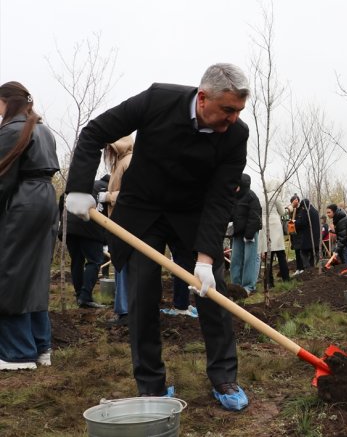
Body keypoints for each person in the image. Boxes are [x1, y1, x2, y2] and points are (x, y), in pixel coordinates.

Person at [64, 64, 250, 410]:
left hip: (192, 214)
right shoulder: (157, 100)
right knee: (143, 290)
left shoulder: (236, 135)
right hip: (143, 211)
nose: (234, 118)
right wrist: (77, 189)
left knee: (212, 292)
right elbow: (94, 132)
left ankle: (224, 376)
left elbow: (221, 196)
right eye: (228, 109)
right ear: (203, 97)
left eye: (239, 110)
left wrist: (206, 258)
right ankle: (150, 384)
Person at [0, 81, 59, 370]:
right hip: (45, 200)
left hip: (22, 202)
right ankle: (41, 347)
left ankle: (17, 352)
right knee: (34, 274)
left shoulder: (11, 131)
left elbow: (2, 180)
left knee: (9, 273)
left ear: (7, 102)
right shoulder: (43, 129)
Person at [99, 135, 134, 325]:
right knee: (120, 265)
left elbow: (133, 193)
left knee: (122, 265)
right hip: (118, 222)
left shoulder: (128, 162)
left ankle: (125, 311)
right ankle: (123, 309)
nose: (108, 153)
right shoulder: (120, 164)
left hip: (125, 223)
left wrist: (109, 197)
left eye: (110, 148)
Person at [61, 177, 109, 309]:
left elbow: (63, 198)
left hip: (69, 226)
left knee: (77, 261)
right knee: (94, 261)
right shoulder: (108, 189)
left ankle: (79, 296)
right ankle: (85, 297)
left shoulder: (86, 183)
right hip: (89, 227)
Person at [229, 174, 262, 294]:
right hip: (238, 234)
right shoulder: (235, 197)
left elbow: (255, 216)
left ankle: (248, 287)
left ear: (242, 185)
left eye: (237, 185)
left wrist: (249, 234)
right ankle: (235, 285)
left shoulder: (251, 197)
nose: (235, 187)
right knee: (235, 260)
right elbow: (232, 215)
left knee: (249, 260)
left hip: (250, 234)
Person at [258, 186, 290, 285]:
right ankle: (286, 278)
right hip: (275, 227)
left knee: (268, 256)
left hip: (264, 227)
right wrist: (290, 208)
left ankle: (268, 282)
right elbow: (282, 212)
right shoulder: (276, 196)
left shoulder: (262, 197)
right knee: (281, 254)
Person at [294, 197, 320, 269]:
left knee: (303, 252)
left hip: (307, 238)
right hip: (316, 238)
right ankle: (312, 266)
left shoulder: (305, 211)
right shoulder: (316, 211)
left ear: (303, 206)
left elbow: (302, 223)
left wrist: (295, 222)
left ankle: (308, 268)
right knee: (314, 253)